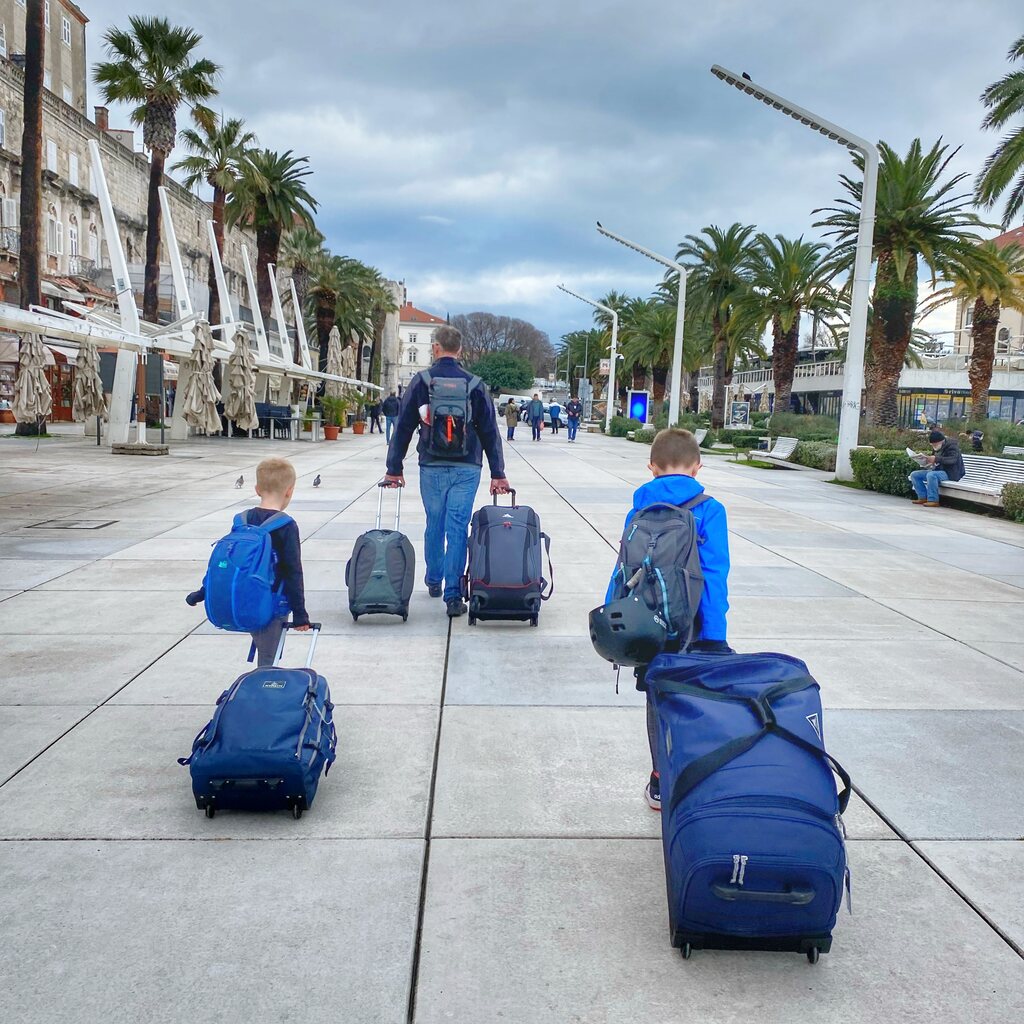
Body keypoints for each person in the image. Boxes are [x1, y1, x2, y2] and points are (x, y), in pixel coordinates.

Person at [607, 428, 730, 812]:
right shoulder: (710, 508)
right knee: (696, 698)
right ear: (697, 467)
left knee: (657, 698)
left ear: (651, 468)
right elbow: (713, 574)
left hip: (647, 627)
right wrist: (715, 634)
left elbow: (624, 568)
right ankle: (694, 777)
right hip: (693, 627)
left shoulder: (638, 510)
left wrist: (614, 616)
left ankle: (660, 781)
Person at [383, 325, 511, 618]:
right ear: (460, 351)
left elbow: (403, 427)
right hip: (468, 466)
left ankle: (433, 579)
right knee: (457, 528)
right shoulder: (475, 384)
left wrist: (394, 468)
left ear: (436, 348)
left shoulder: (422, 381)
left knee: (434, 523)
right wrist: (498, 473)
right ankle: (454, 596)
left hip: (431, 465)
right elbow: (490, 431)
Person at [186, 458, 310, 666]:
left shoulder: (241, 520)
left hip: (243, 598)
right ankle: (261, 691)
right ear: (289, 491)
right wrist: (300, 614)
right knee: (268, 660)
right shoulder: (286, 525)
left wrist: (203, 591)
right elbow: (293, 571)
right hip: (271, 604)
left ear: (257, 489)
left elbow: (229, 562)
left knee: (263, 649)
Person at [909, 430, 965, 507]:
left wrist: (936, 459)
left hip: (951, 473)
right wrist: (927, 462)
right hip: (938, 471)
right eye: (932, 445)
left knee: (931, 475)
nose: (933, 446)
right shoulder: (937, 447)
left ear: (941, 441)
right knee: (915, 475)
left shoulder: (952, 446)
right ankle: (923, 497)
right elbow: (935, 459)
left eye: (935, 444)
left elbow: (952, 459)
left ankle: (933, 500)